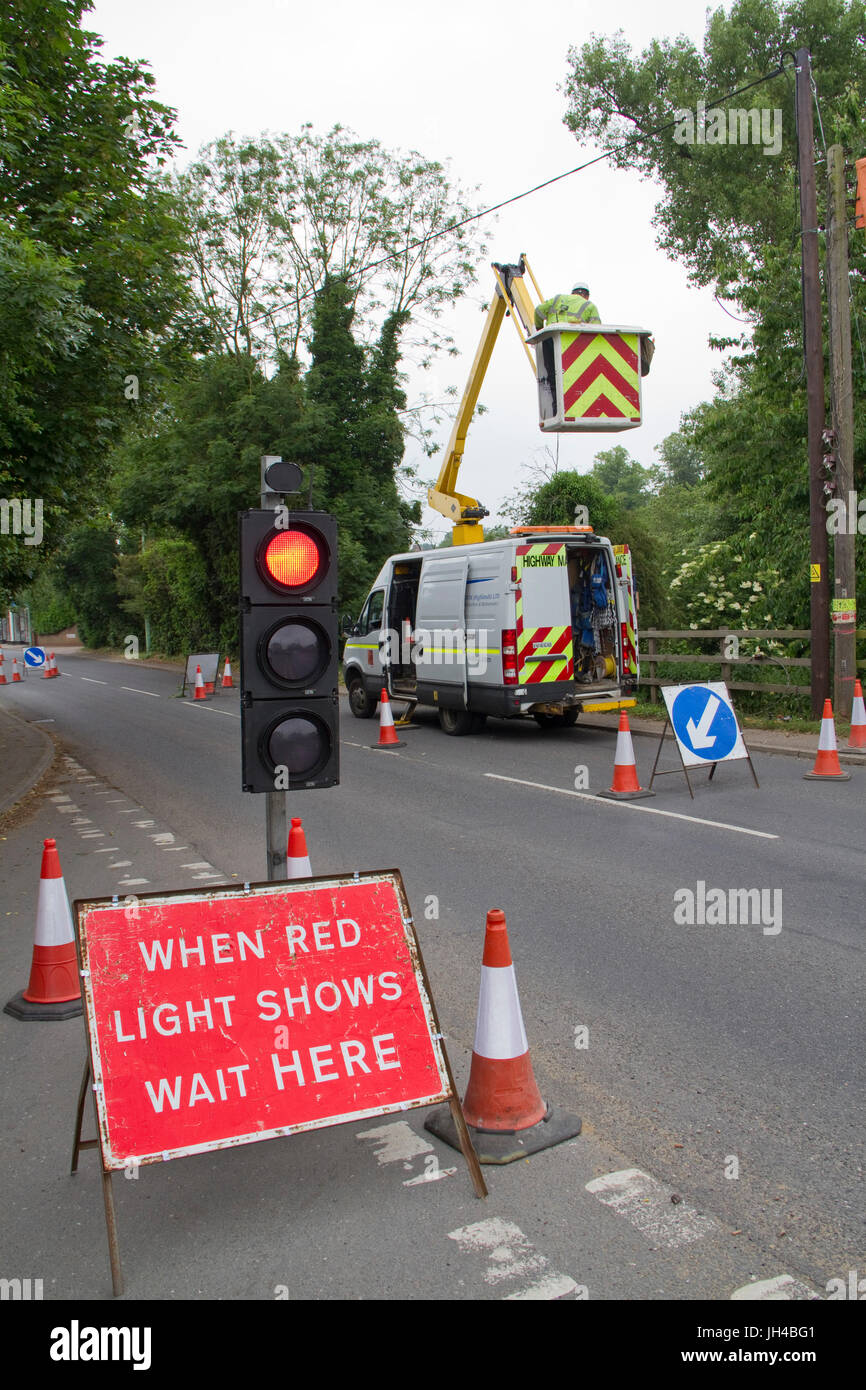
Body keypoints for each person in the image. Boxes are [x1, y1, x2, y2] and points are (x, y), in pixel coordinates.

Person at [534, 281, 601, 330]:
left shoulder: (557, 299)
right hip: (576, 341)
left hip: (551, 338)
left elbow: (538, 311)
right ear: (587, 296)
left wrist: (539, 329)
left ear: (572, 293)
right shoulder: (590, 306)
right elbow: (596, 328)